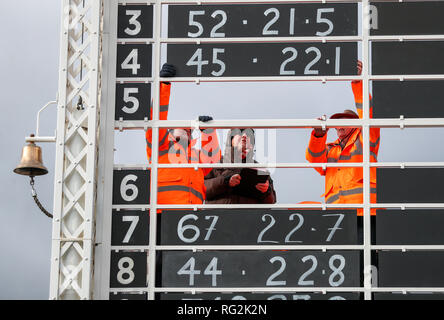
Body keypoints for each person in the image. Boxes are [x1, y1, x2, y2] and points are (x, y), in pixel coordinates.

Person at [305, 60, 380, 216]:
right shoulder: (330, 149)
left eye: (344, 121)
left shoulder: (365, 139)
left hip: (366, 211)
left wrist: (357, 81)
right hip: (338, 216)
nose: (338, 125)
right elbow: (314, 160)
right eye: (336, 122)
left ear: (357, 124)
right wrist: (319, 134)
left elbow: (369, 113)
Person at [145, 63, 221, 204]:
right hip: (163, 212)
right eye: (184, 128)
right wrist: (164, 84)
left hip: (192, 214)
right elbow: (155, 119)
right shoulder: (160, 147)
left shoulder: (196, 156)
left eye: (190, 131)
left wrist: (208, 132)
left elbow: (212, 159)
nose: (188, 130)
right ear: (170, 133)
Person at [204, 128, 277, 204]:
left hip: (249, 215)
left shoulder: (260, 168)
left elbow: (271, 201)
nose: (244, 136)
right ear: (230, 140)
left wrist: (266, 191)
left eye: (249, 135)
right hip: (219, 214)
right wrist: (226, 181)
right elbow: (201, 189)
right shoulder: (215, 162)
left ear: (252, 145)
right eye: (240, 132)